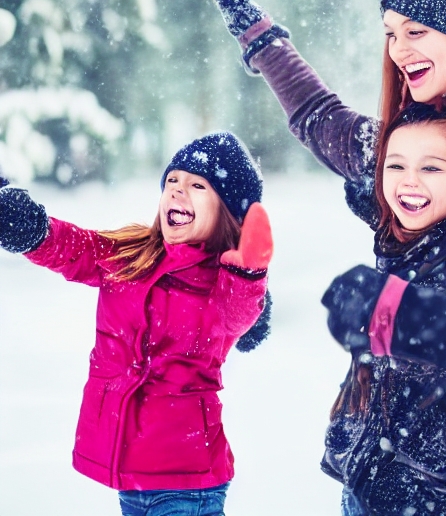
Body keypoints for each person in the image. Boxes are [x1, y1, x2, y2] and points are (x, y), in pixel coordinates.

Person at [172, 0, 446, 379]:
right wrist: (247, 19)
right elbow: (318, 115)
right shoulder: (402, 143)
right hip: (388, 415)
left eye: (415, 31)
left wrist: (399, 313)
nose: (398, 50)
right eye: (391, 33)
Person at [0, 131, 273, 516]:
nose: (177, 190)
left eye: (197, 185)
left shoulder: (221, 284)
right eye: (172, 180)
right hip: (133, 478)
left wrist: (249, 273)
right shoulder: (132, 256)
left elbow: (239, 315)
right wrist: (32, 228)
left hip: (187, 482)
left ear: (227, 211)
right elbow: (74, 247)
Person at [321, 103, 446, 515]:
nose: (409, 180)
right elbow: (318, 118)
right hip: (369, 481)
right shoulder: (397, 235)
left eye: (431, 168)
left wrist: (398, 313)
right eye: (396, 166)